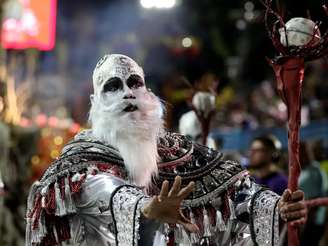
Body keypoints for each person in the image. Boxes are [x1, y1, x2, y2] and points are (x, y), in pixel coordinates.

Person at [26, 54, 307, 246]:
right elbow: (103, 188)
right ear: (95, 100)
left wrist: (275, 206)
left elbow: (234, 193)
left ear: (146, 91)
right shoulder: (81, 158)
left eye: (134, 83)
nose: (128, 93)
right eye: (113, 86)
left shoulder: (177, 150)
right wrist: (146, 207)